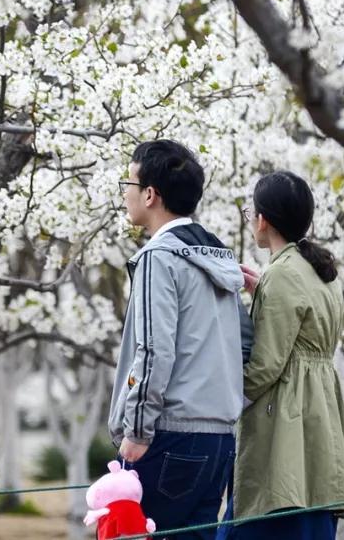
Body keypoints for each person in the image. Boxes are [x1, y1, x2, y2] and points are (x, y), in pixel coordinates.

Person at [108, 139, 253, 540]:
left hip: (167, 435)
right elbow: (245, 345)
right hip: (219, 440)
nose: (124, 193)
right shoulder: (219, 259)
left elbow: (154, 349)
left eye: (129, 183)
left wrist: (137, 430)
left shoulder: (158, 258)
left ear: (150, 195)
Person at [220, 171, 344, 540]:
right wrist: (262, 292)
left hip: (287, 412)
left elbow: (267, 365)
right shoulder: (320, 269)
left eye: (251, 211)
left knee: (272, 506)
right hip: (321, 408)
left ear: (262, 220)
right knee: (311, 506)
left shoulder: (281, 273)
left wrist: (228, 401)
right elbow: (305, 332)